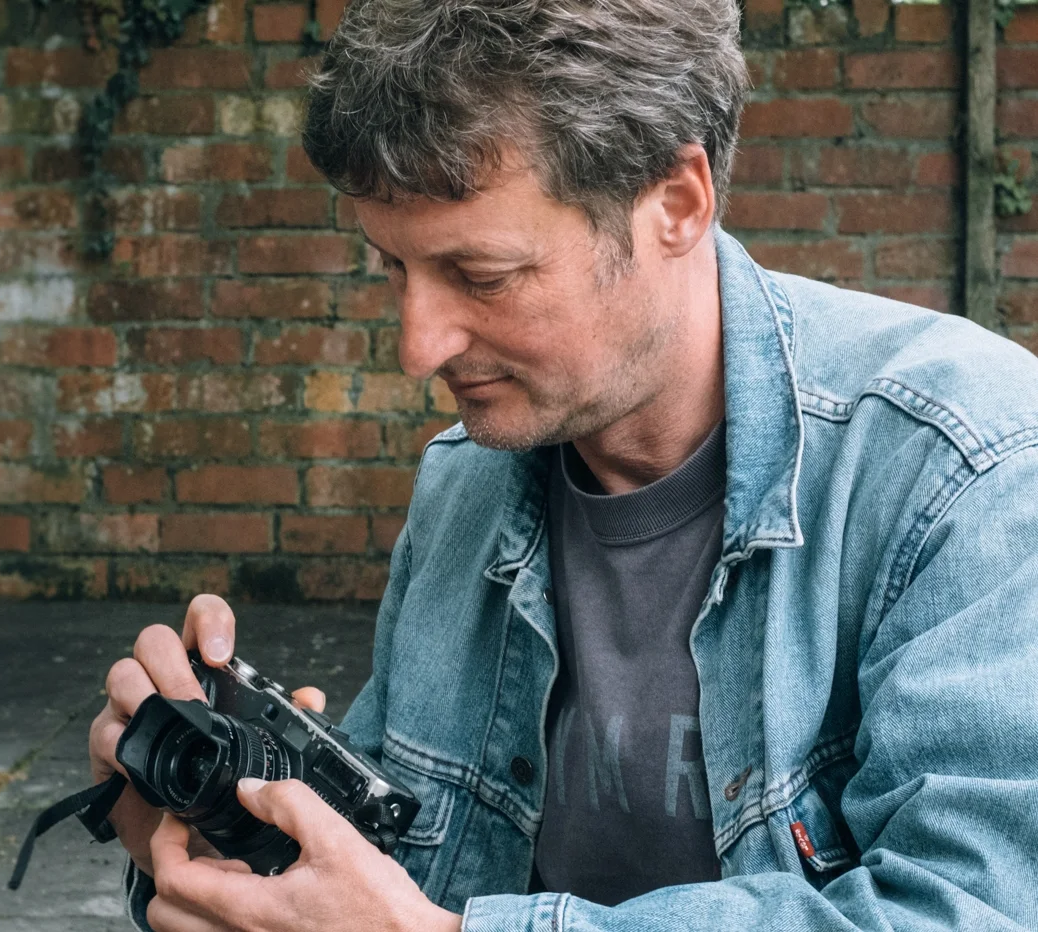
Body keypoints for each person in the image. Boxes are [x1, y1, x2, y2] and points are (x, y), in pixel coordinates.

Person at [89, 0, 1038, 928]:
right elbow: (387, 867)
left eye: (481, 277)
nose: (418, 346)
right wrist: (217, 838)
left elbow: (970, 906)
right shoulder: (466, 481)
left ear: (675, 202)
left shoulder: (965, 471)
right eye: (390, 266)